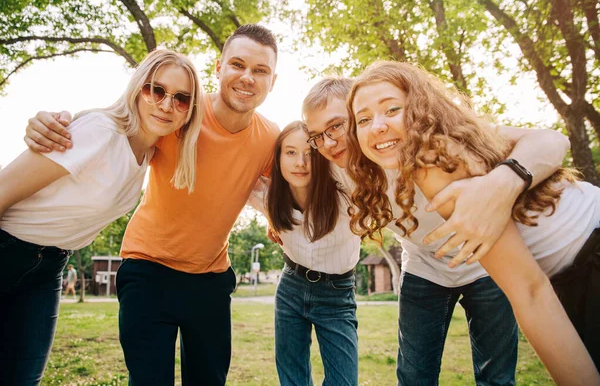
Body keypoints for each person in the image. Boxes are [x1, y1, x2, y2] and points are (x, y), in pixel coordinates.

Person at [24, 24, 280, 385]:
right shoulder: (179, 112)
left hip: (210, 280)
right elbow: (118, 123)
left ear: (273, 81)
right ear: (219, 68)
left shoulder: (271, 138)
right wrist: (54, 122)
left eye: (260, 70)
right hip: (148, 269)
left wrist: (274, 216)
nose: (247, 77)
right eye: (237, 64)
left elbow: (291, 188)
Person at [301, 76, 570, 385]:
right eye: (318, 136)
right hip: (424, 269)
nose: (328, 143)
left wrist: (504, 180)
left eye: (335, 126)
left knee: (496, 377)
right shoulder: (334, 168)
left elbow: (552, 140)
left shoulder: (437, 140)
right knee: (414, 376)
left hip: (487, 264)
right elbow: (282, 174)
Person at [0, 49, 203, 386]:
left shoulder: (150, 154)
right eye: (157, 90)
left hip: (47, 271)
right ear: (139, 89)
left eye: (182, 98)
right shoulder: (100, 131)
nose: (167, 105)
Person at [250, 121, 361, 386]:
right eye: (290, 152)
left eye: (309, 152)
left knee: (343, 382)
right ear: (277, 159)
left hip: (337, 294)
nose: (300, 162)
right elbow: (231, 164)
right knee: (292, 379)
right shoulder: (268, 196)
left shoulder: (345, 194)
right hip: (291, 288)